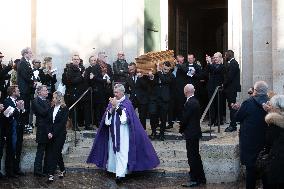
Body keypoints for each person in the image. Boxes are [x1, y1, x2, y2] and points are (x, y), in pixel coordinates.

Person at [87, 84, 159, 183]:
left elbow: (125, 119)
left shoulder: (127, 103)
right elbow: (107, 121)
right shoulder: (112, 103)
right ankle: (114, 170)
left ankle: (120, 174)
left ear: (122, 92)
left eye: (116, 92)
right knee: (113, 152)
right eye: (114, 92)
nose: (114, 94)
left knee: (122, 152)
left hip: (124, 134)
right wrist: (111, 109)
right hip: (113, 133)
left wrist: (116, 107)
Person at [234, 81, 269, 189]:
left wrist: (238, 109)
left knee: (251, 171)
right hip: (265, 142)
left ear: (255, 91)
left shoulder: (248, 103)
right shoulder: (271, 103)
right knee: (266, 171)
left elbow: (237, 118)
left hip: (249, 142)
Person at [180, 84, 206, 187]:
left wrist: (181, 129)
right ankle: (201, 178)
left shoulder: (190, 103)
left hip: (191, 133)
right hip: (194, 132)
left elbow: (185, 118)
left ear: (185, 91)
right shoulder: (194, 101)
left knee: (192, 157)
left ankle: (194, 179)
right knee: (196, 156)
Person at [3, 85, 25, 178]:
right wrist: (17, 108)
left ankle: (16, 169)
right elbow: (8, 115)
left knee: (18, 149)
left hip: (19, 129)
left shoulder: (18, 101)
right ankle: (10, 171)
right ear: (13, 92)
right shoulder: (6, 101)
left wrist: (22, 108)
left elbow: (22, 114)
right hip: (11, 130)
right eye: (17, 90)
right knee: (11, 150)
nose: (19, 91)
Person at [46, 91, 68, 182]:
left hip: (60, 134)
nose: (53, 99)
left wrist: (53, 133)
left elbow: (62, 124)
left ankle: (51, 174)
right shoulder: (51, 108)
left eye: (54, 97)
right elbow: (48, 122)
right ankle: (62, 169)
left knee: (55, 153)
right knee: (57, 153)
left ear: (59, 98)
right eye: (53, 98)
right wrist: (48, 132)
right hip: (51, 134)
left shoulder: (64, 108)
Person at [263, 95, 284, 189]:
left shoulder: (273, 122)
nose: (269, 107)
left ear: (275, 108)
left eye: (271, 105)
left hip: (277, 162)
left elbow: (268, 142)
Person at [32, 85, 50, 176]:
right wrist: (51, 107)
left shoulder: (47, 101)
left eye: (47, 90)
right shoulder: (35, 101)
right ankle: (37, 170)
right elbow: (42, 112)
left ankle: (46, 169)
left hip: (49, 129)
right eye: (45, 90)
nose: (47, 92)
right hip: (42, 129)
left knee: (48, 150)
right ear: (39, 92)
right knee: (40, 150)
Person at [17, 47, 34, 134]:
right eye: (30, 53)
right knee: (24, 108)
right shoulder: (22, 62)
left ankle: (26, 125)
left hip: (27, 89)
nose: (31, 54)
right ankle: (24, 126)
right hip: (24, 90)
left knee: (26, 108)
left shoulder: (26, 62)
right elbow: (25, 76)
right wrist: (33, 82)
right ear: (25, 54)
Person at [224, 50, 241, 132]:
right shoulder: (232, 63)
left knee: (232, 106)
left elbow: (230, 77)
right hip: (230, 89)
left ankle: (233, 125)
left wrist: (223, 84)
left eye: (225, 55)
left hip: (232, 89)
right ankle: (232, 124)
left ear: (228, 55)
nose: (224, 57)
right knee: (231, 106)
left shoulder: (233, 63)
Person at [206, 52, 225, 126]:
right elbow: (206, 71)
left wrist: (210, 63)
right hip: (211, 87)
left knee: (218, 105)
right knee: (211, 104)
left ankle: (219, 120)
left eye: (216, 57)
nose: (215, 59)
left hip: (218, 88)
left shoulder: (222, 66)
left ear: (220, 58)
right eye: (214, 57)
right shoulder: (211, 65)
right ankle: (212, 119)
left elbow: (217, 71)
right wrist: (208, 63)